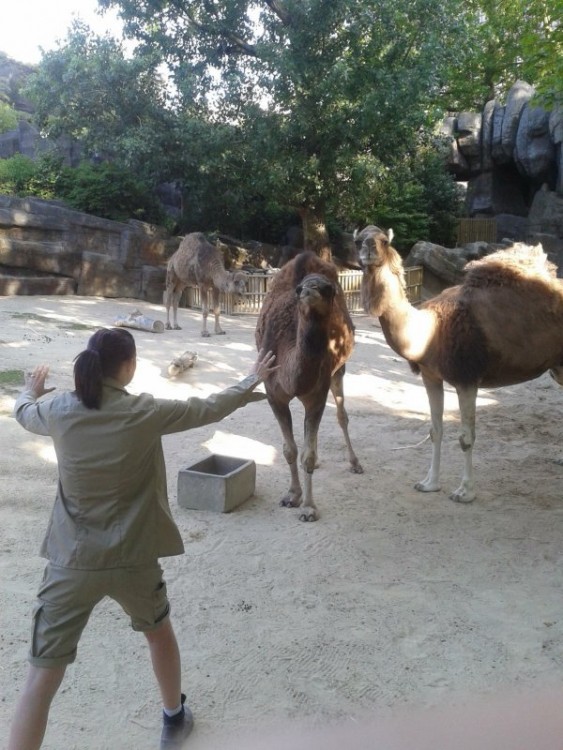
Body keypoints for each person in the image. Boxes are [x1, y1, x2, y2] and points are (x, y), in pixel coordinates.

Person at [8, 327, 277, 750]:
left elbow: (24, 413)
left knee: (42, 676)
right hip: (134, 558)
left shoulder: (58, 409)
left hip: (71, 561)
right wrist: (251, 378)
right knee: (158, 632)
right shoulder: (145, 412)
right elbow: (208, 408)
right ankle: (173, 718)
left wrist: (30, 389)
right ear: (128, 367)